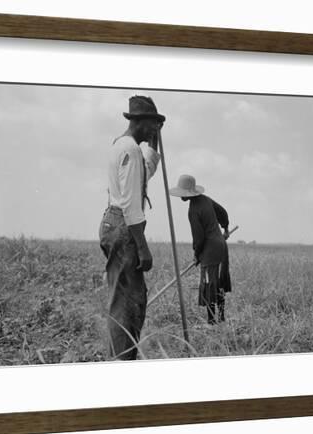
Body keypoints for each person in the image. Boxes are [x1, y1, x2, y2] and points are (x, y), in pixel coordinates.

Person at [99, 96, 165, 360]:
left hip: (113, 222)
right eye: (152, 124)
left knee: (126, 299)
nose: (153, 130)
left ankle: (122, 357)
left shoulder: (124, 146)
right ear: (139, 121)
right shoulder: (130, 150)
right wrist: (142, 247)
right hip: (124, 226)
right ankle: (122, 362)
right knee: (128, 304)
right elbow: (130, 203)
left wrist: (155, 142)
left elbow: (143, 174)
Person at [169, 174, 232, 324]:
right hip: (222, 246)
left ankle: (211, 322)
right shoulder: (206, 200)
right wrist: (225, 228)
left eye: (183, 193)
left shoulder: (193, 210)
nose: (181, 196)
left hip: (210, 251)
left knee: (209, 284)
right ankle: (221, 318)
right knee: (219, 282)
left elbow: (199, 238)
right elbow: (222, 212)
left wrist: (197, 255)